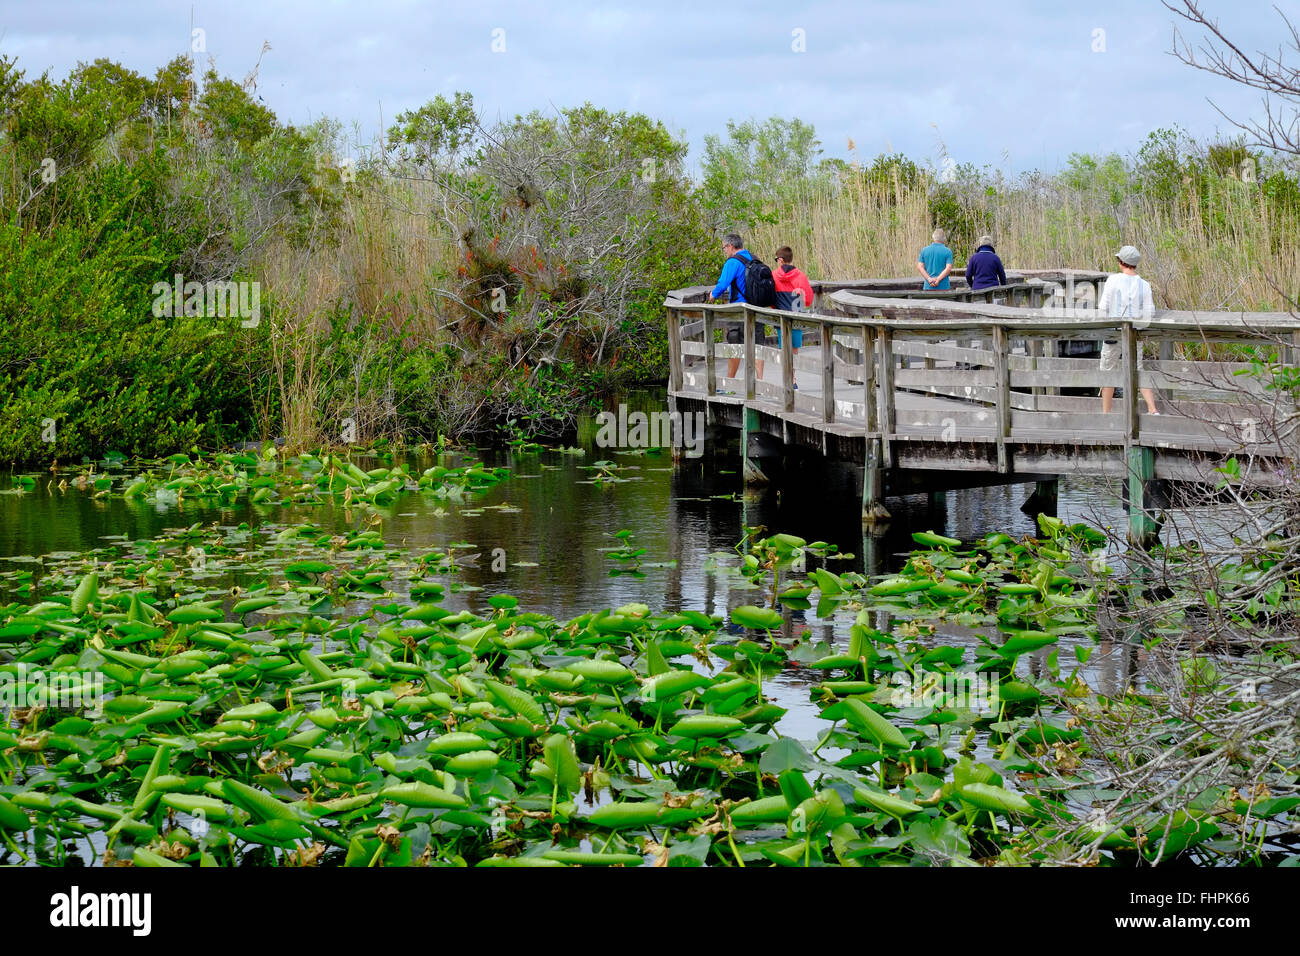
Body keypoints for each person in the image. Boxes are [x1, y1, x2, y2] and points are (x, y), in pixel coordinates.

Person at [1098, 245, 1159, 415]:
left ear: (1121, 262)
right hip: (1134, 334)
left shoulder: (1113, 280)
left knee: (1107, 371)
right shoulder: (1145, 285)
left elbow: (1103, 307)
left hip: (1114, 332)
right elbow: (1150, 312)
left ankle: (1106, 413)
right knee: (1138, 369)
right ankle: (1153, 409)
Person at [709, 233, 754, 381]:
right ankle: (758, 383)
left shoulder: (732, 262)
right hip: (756, 308)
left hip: (739, 309)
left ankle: (730, 382)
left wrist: (712, 295)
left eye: (724, 248)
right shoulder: (753, 258)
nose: (725, 251)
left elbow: (722, 284)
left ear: (730, 246)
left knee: (734, 343)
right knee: (757, 345)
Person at [772, 246, 814, 388]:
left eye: (776, 259)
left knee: (784, 348)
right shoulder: (800, 277)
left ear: (781, 260)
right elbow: (808, 300)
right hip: (796, 317)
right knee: (794, 349)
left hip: (780, 317)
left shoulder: (773, 276)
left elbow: (770, 298)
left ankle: (787, 377)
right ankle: (793, 379)